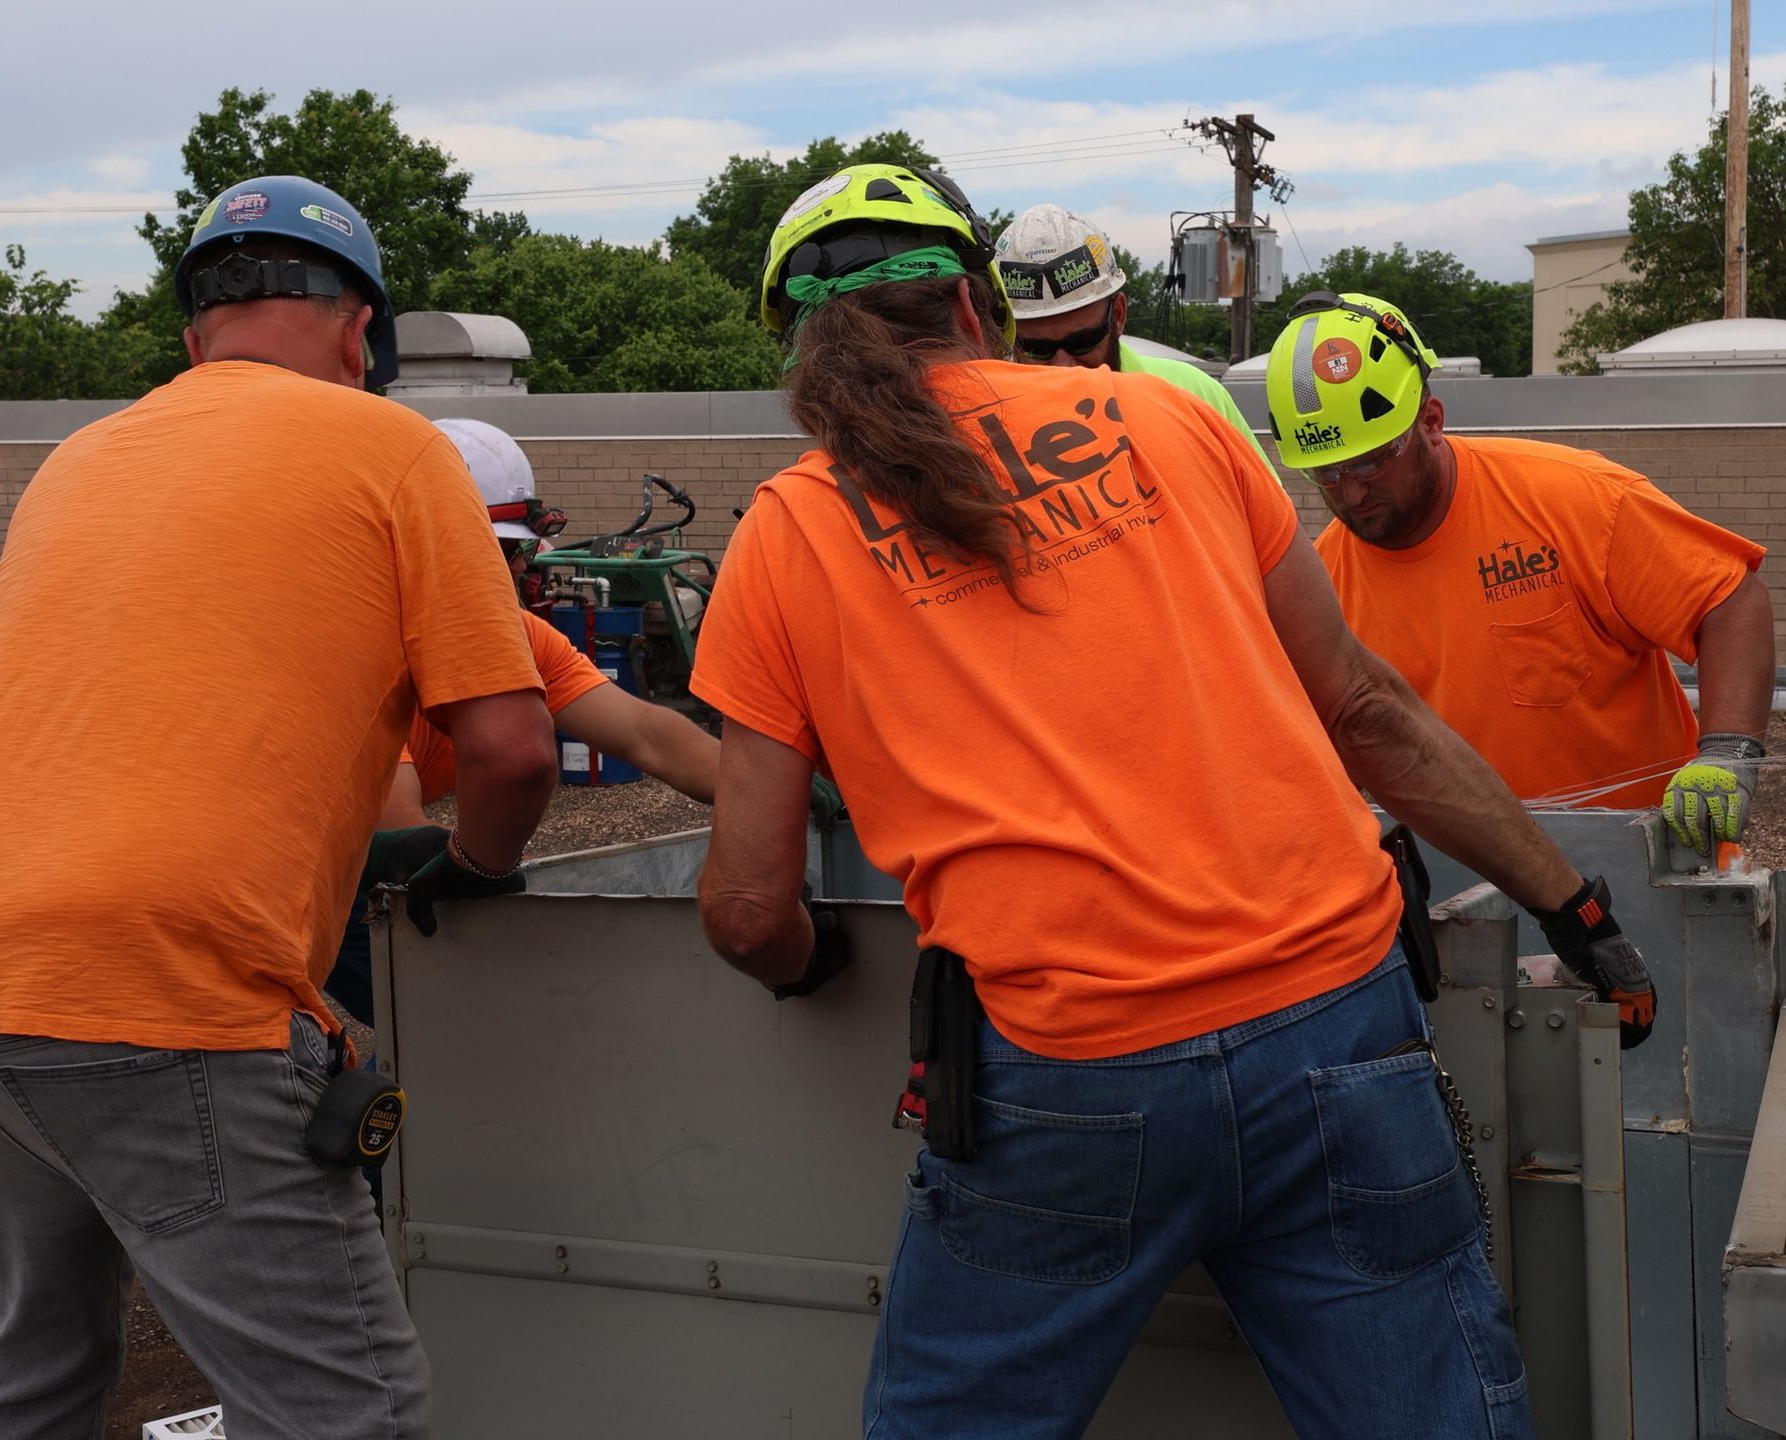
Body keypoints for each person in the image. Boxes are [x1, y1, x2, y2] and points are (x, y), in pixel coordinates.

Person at [692, 159, 1657, 1439]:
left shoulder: (787, 531)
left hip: (1067, 1076)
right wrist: (1578, 911)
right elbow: (1365, 711)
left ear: (803, 351)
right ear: (976, 306)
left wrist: (815, 964)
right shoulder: (1174, 423)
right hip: (1337, 1026)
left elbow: (752, 906)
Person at [0, 175, 557, 1440]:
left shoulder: (79, 458)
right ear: (363, 333)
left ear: (194, 337)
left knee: (35, 1369)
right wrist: (477, 864)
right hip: (156, 996)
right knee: (350, 1410)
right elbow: (514, 750)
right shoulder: (393, 446)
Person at [1264, 290, 1774, 854]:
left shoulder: (1573, 501)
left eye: (1371, 460)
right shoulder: (1323, 582)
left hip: (1642, 867)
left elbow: (1728, 601)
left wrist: (1727, 752)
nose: (1352, 491)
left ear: (1430, 421)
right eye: (1325, 473)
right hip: (1452, 884)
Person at [330, 416, 722, 1023]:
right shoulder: (355, 649)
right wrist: (478, 864)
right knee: (440, 1026)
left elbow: (649, 735)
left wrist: (768, 782)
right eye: (495, 550)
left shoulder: (514, 636)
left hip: (362, 868)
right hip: (288, 884)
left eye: (516, 550)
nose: (516, 570)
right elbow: (402, 835)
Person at [995, 202, 1275, 476]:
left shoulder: (1193, 393)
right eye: (1036, 349)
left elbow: (1273, 515)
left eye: (1082, 341)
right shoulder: (992, 426)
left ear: (1118, 315)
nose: (1063, 368)